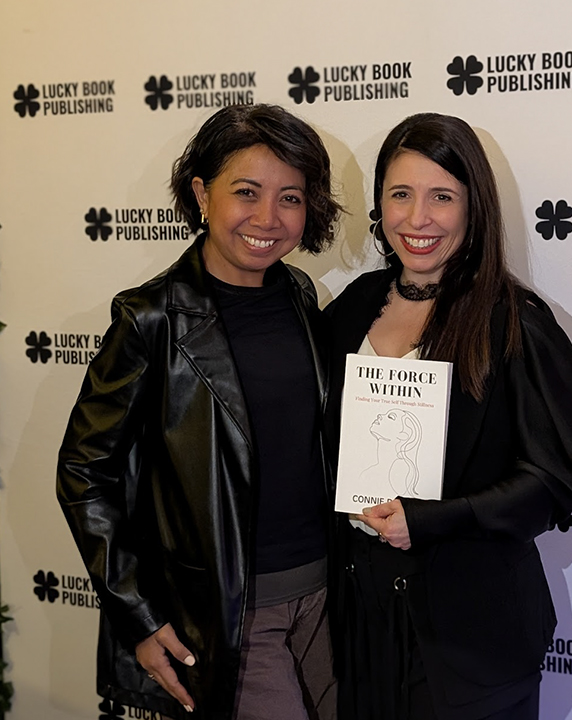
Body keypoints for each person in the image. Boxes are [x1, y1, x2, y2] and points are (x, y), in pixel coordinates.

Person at [57, 104, 342, 720]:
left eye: (290, 198)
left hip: (327, 599)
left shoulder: (300, 295)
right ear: (201, 194)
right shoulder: (150, 319)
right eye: (247, 192)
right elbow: (83, 473)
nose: (268, 218)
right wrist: (138, 614)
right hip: (227, 614)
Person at [325, 113, 572, 720]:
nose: (417, 218)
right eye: (400, 194)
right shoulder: (350, 309)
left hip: (473, 645)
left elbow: (561, 478)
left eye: (442, 197)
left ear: (474, 208)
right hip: (363, 631)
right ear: (379, 204)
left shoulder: (514, 322)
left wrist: (435, 519)